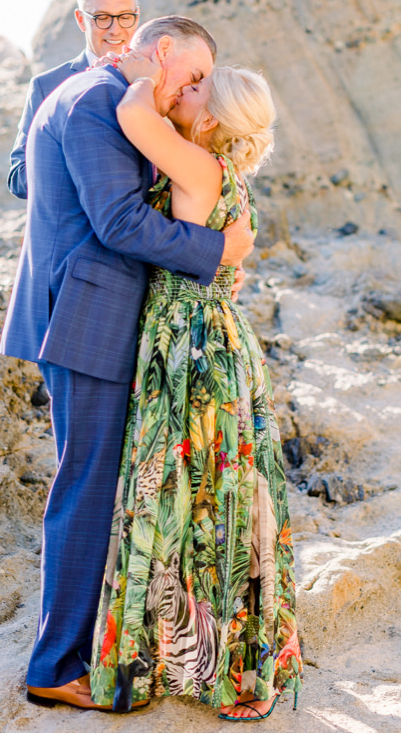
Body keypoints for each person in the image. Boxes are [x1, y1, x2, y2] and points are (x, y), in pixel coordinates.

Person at [0, 15, 257, 711]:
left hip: (100, 314)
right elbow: (117, 222)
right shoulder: (91, 101)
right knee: (85, 485)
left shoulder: (117, 101)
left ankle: (87, 644)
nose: (192, 90)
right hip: (87, 316)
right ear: (162, 49)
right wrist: (217, 253)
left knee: (95, 482)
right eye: (193, 75)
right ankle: (54, 666)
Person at [87, 54, 302, 719]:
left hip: (195, 348)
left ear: (209, 117)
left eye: (197, 84)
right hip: (200, 339)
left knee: (202, 501)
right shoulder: (213, 170)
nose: (183, 88)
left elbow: (130, 112)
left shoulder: (198, 165)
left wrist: (147, 66)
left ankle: (234, 675)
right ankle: (191, 660)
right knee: (200, 497)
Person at [7, 0, 140, 198]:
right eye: (102, 18)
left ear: (136, 16)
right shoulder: (46, 86)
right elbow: (19, 179)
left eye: (125, 16)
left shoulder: (155, 79)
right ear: (81, 20)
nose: (115, 29)